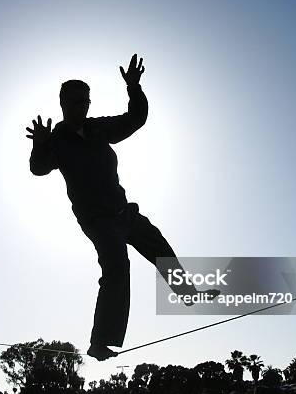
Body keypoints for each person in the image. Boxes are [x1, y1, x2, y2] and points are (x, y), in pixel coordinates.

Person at [26, 54, 204, 361]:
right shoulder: (57, 140)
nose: (80, 106)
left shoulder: (98, 129)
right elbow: (38, 168)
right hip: (98, 220)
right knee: (118, 267)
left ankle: (186, 292)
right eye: (74, 101)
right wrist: (39, 144)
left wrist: (134, 88)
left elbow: (135, 119)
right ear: (62, 103)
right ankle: (100, 341)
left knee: (156, 241)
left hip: (123, 212)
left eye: (85, 101)